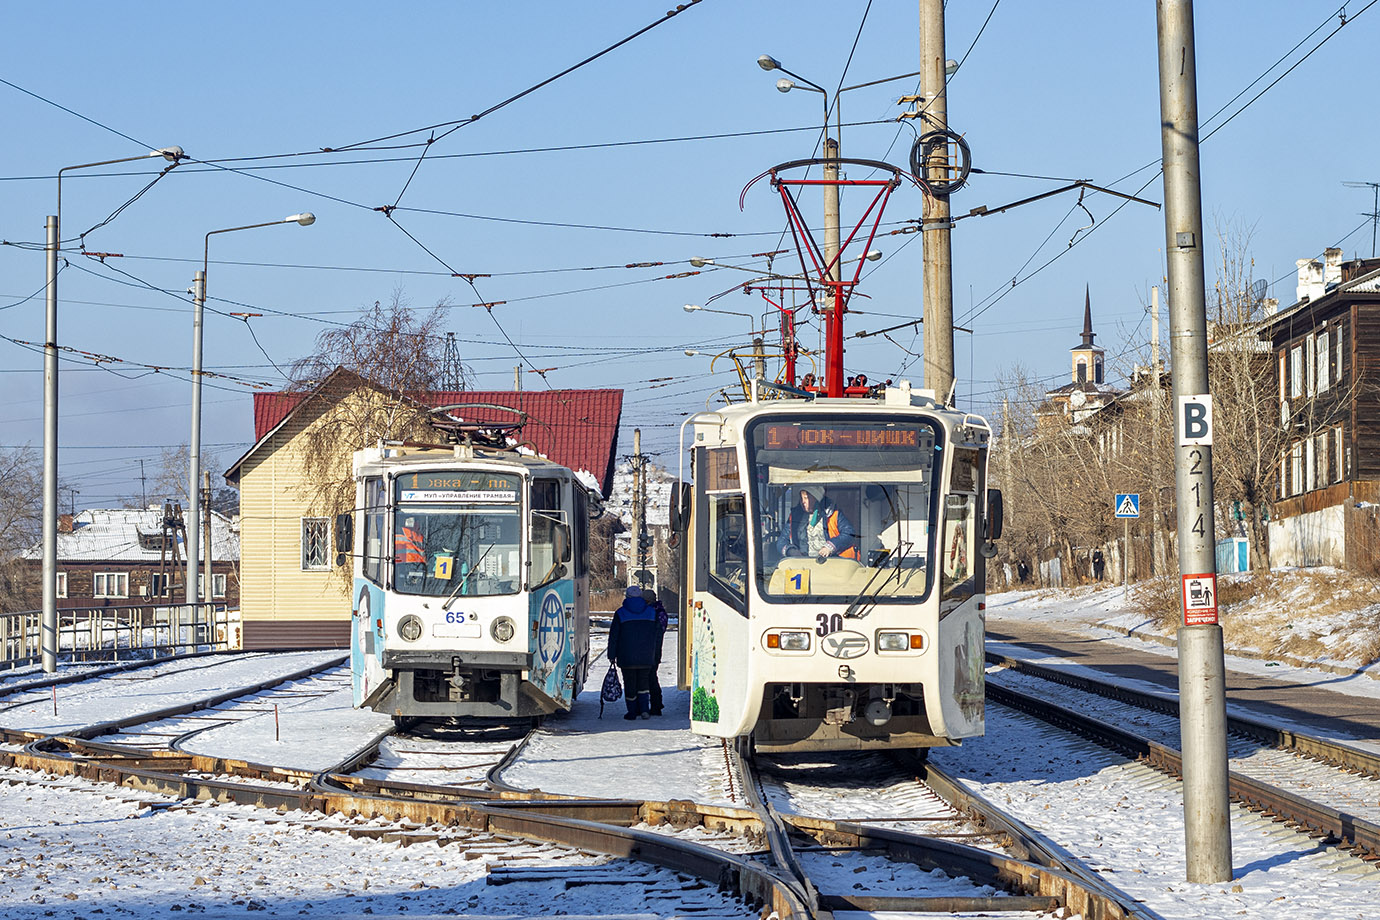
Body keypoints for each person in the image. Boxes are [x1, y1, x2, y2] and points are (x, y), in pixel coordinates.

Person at [608, 585, 662, 720]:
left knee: (630, 683)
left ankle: (632, 712)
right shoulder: (651, 612)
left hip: (626, 657)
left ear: (627, 597)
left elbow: (614, 636)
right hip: (646, 656)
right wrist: (654, 654)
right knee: (643, 684)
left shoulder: (620, 613)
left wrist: (611, 655)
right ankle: (644, 710)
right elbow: (657, 634)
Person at [779, 485, 858, 561]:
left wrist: (830, 547)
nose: (803, 502)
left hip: (830, 561)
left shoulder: (833, 513)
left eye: (806, 498)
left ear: (816, 498)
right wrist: (791, 551)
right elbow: (782, 540)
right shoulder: (794, 516)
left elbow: (849, 534)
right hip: (801, 563)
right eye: (801, 498)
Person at [643, 588, 669, 716]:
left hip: (652, 650)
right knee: (652, 677)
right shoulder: (661, 612)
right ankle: (656, 704)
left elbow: (657, 632)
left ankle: (656, 704)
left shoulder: (653, 612)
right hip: (656, 650)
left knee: (651, 678)